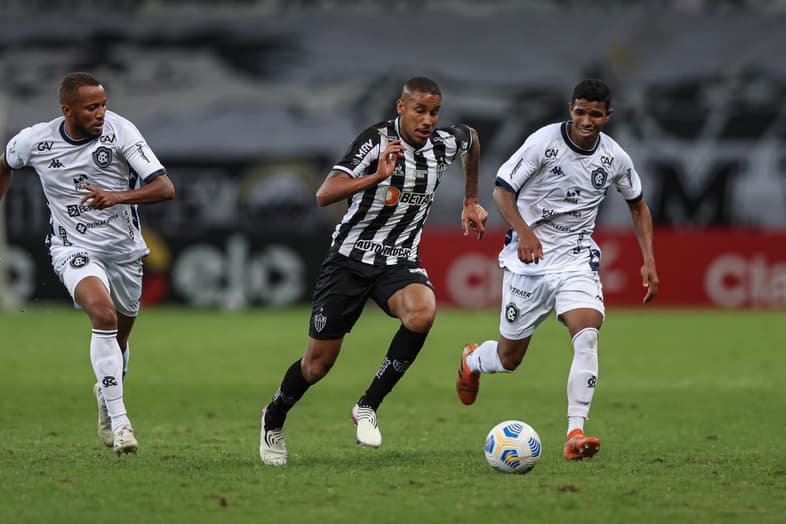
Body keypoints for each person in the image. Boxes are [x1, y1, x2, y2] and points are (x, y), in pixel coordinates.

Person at [259, 76, 488, 466]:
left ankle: (367, 405)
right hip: (349, 261)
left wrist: (470, 199)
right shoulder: (375, 141)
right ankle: (274, 416)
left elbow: (473, 140)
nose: (428, 120)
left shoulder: (444, 143)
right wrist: (376, 177)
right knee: (317, 365)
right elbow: (324, 194)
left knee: (423, 312)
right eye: (420, 110)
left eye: (434, 112)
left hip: (398, 260)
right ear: (401, 107)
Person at [455, 79, 658, 460]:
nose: (586, 121)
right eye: (580, 112)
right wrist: (525, 233)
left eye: (595, 114)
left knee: (588, 334)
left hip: (576, 259)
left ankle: (575, 432)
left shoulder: (615, 157)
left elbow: (638, 206)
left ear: (608, 116)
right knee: (509, 359)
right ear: (570, 109)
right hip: (529, 263)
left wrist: (648, 258)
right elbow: (502, 191)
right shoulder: (543, 142)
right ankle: (473, 359)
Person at [0, 72, 175, 455]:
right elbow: (5, 163)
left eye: (103, 105)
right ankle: (122, 423)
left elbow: (165, 188)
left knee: (120, 339)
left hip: (125, 252)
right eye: (92, 107)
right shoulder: (36, 140)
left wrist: (116, 196)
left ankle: (106, 397)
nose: (101, 113)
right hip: (72, 248)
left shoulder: (120, 131)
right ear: (68, 110)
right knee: (103, 316)